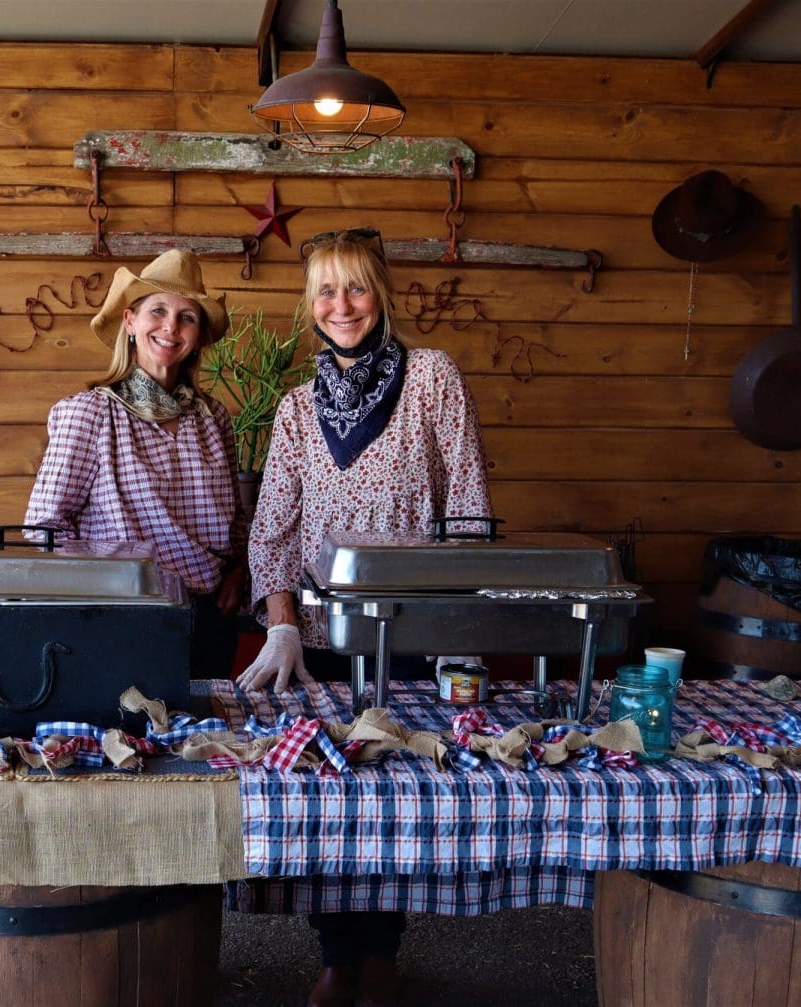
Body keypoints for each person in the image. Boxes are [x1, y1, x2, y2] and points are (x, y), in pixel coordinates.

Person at [237, 228, 492, 1007]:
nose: (340, 305)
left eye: (354, 287)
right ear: (308, 305)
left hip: (415, 635)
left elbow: (471, 509)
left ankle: (380, 951)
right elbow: (273, 528)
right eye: (324, 291)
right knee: (327, 797)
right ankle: (333, 956)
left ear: (381, 293)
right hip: (322, 642)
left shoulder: (433, 379)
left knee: (398, 794)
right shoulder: (293, 409)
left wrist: (459, 634)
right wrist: (281, 622)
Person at [25, 249, 247, 677]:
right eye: (158, 311)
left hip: (213, 617)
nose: (170, 326)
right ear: (130, 322)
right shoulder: (89, 413)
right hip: (127, 617)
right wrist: (106, 594)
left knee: (207, 736)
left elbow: (235, 519)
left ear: (198, 336)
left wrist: (238, 571)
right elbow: (44, 529)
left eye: (187, 317)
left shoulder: (213, 417)